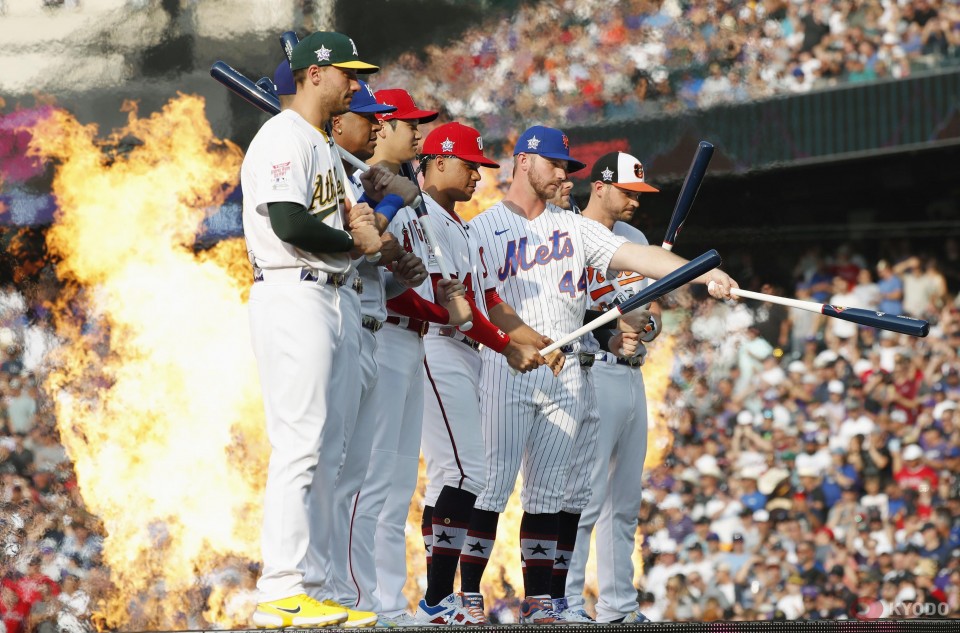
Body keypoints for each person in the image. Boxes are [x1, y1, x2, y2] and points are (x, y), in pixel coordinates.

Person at [462, 125, 737, 624]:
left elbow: (643, 257)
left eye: (568, 167)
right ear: (524, 161)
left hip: (565, 371)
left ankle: (544, 602)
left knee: (551, 493)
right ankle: (463, 599)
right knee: (492, 485)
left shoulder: (573, 226)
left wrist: (702, 270)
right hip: (509, 365)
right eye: (556, 165)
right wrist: (516, 340)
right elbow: (479, 299)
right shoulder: (482, 227)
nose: (564, 174)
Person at [241, 31, 383, 629]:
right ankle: (279, 588)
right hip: (291, 288)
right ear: (314, 74)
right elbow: (289, 220)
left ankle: (314, 585)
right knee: (300, 446)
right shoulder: (281, 135)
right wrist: (353, 240)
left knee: (328, 453)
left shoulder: (319, 143)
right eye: (347, 74)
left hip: (331, 294)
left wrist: (363, 216)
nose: (355, 85)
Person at [325, 83, 469, 621]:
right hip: (380, 335)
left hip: (405, 338)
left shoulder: (404, 189)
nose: (419, 133)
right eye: (411, 125)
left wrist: (433, 294)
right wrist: (435, 303)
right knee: (368, 481)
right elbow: (363, 254)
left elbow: (398, 273)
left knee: (396, 486)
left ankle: (387, 600)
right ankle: (359, 599)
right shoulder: (363, 183)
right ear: (382, 126)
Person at [412, 122, 559, 626]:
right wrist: (507, 348)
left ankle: (438, 599)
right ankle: (437, 600)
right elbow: (455, 307)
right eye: (470, 165)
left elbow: (487, 300)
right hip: (439, 345)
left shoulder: (458, 223)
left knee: (453, 477)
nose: (478, 174)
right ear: (438, 162)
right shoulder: (424, 214)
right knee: (466, 472)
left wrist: (527, 337)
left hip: (463, 351)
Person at [561, 151, 662, 624]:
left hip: (630, 374)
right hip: (590, 370)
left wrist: (646, 326)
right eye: (627, 192)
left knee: (624, 502)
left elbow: (650, 316)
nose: (634, 203)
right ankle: (566, 603)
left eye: (639, 195)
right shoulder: (567, 232)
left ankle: (619, 606)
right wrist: (616, 324)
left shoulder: (636, 240)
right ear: (599, 186)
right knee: (584, 498)